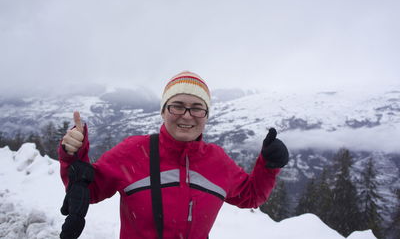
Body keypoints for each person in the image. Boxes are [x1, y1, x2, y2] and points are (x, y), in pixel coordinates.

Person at [58, 71, 289, 239]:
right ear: (163, 111)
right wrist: (73, 155)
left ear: (206, 115)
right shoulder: (133, 152)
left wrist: (268, 166)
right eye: (177, 105)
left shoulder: (217, 162)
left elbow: (251, 196)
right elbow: (87, 190)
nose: (187, 115)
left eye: (197, 108)